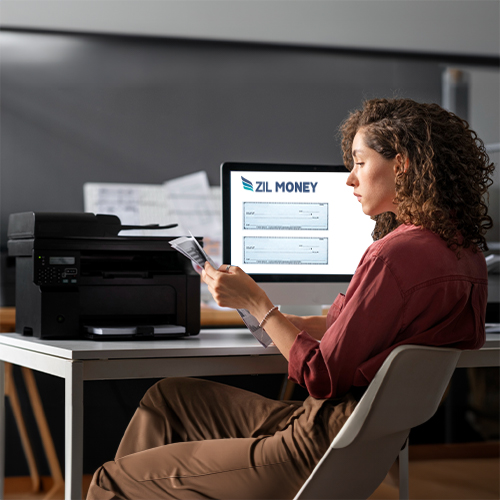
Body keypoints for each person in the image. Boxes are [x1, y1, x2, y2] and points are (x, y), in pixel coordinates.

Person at [87, 98, 494, 500]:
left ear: (401, 165)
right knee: (169, 399)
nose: (349, 179)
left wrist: (259, 304)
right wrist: (279, 318)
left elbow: (322, 375)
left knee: (110, 479)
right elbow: (362, 333)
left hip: (314, 446)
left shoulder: (392, 254)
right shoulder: (466, 254)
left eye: (360, 162)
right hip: (362, 442)